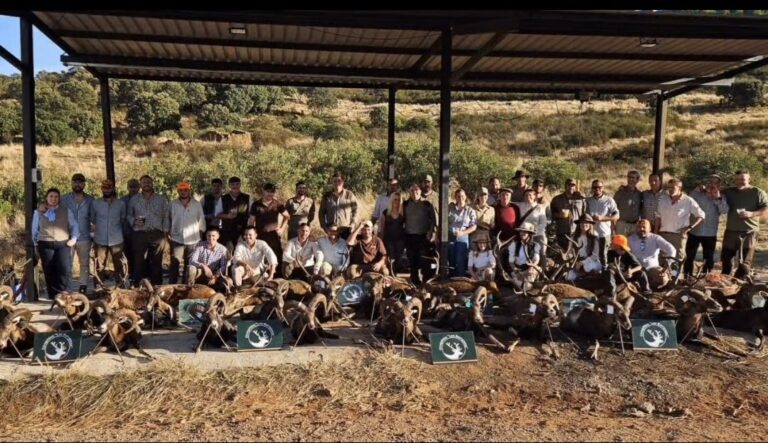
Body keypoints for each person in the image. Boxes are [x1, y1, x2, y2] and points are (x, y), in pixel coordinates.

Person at [32, 188, 79, 299]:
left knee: (65, 269)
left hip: (63, 244)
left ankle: (66, 294)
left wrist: (73, 239)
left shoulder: (66, 211)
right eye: (51, 196)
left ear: (59, 198)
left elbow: (74, 226)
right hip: (45, 244)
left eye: (56, 197)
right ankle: (54, 296)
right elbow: (34, 229)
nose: (53, 199)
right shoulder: (38, 212)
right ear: (47, 198)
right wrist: (35, 243)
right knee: (49, 270)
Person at [721, 170, 768, 277]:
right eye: (737, 179)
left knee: (745, 261)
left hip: (749, 231)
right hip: (731, 230)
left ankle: (740, 283)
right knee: (726, 259)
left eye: (742, 179)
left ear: (749, 180)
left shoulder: (757, 192)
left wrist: (752, 214)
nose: (739, 182)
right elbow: (714, 192)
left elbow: (766, 209)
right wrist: (702, 189)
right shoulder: (729, 191)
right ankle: (725, 282)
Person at [127, 175, 170, 286]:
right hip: (139, 233)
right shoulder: (134, 199)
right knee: (139, 261)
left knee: (156, 261)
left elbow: (166, 216)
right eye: (144, 182)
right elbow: (128, 215)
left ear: (152, 183)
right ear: (140, 185)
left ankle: (157, 286)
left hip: (157, 233)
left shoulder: (161, 199)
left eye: (149, 182)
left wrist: (165, 232)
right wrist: (134, 221)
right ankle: (138, 286)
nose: (146, 184)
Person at [686, 175, 729, 276]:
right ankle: (687, 277)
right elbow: (687, 201)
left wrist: (718, 198)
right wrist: (695, 190)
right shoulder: (698, 194)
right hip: (694, 231)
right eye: (710, 181)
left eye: (715, 182)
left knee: (708, 258)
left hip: (710, 233)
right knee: (689, 257)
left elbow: (724, 211)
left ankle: (705, 278)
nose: (712, 184)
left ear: (719, 185)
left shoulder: (721, 197)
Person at [654, 178, 704, 261]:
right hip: (663, 235)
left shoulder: (688, 200)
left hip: (678, 236)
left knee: (677, 261)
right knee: (662, 260)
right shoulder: (663, 199)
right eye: (669, 187)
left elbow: (701, 215)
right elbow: (658, 216)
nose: (670, 190)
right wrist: (655, 232)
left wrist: (689, 227)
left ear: (680, 188)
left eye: (673, 188)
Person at [60, 173, 94, 294]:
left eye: (80, 182)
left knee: (84, 264)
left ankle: (83, 286)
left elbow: (94, 218)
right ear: (71, 183)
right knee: (67, 264)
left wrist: (94, 232)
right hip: (68, 237)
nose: (78, 184)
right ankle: (67, 287)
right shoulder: (63, 199)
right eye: (75, 181)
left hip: (84, 237)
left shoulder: (90, 200)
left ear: (84, 184)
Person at [89, 179, 128, 285]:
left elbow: (123, 219)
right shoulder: (95, 203)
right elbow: (92, 219)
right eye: (104, 188)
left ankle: (121, 285)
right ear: (101, 189)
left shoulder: (120, 204)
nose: (107, 190)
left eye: (109, 188)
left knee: (119, 264)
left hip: (116, 238)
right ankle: (99, 286)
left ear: (113, 189)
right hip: (100, 238)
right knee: (99, 264)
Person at [169, 181, 206, 284]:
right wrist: (168, 233)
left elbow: (201, 220)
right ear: (178, 191)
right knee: (174, 263)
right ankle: (172, 286)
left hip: (193, 239)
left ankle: (186, 286)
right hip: (177, 238)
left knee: (189, 265)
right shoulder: (172, 204)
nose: (183, 192)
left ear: (189, 191)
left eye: (185, 190)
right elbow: (168, 219)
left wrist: (200, 236)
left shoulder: (196, 204)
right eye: (181, 190)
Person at [248, 183, 290, 272]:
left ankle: (277, 277)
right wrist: (251, 235)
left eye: (272, 192)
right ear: (263, 191)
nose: (270, 194)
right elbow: (251, 222)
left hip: (274, 237)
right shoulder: (256, 204)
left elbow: (287, 216)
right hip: (260, 236)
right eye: (268, 191)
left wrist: (282, 229)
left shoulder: (278, 204)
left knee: (276, 258)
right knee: (260, 258)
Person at [402, 184, 437, 284]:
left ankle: (426, 281)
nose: (415, 192)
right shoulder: (405, 204)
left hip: (423, 236)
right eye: (412, 191)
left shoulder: (427, 204)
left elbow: (433, 220)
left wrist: (431, 232)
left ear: (420, 191)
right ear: (409, 192)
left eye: (416, 190)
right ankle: (415, 281)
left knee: (424, 260)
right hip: (410, 236)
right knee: (412, 260)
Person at [628, 219, 677, 290]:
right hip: (636, 269)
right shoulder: (630, 239)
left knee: (662, 279)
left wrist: (667, 265)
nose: (641, 229)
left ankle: (646, 287)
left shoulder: (656, 238)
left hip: (652, 268)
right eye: (639, 227)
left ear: (650, 229)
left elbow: (672, 250)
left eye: (644, 227)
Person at [585, 179, 619, 268]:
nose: (597, 189)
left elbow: (616, 216)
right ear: (592, 188)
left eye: (599, 187)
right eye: (595, 187)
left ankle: (604, 272)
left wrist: (603, 218)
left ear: (603, 188)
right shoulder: (588, 200)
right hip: (591, 232)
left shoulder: (609, 200)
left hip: (604, 233)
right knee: (590, 253)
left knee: (603, 255)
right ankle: (591, 272)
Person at [550, 178, 586, 252]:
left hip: (576, 231)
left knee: (577, 253)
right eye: (569, 185)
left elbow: (585, 215)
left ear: (575, 187)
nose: (571, 187)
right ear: (565, 186)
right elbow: (552, 215)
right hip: (562, 232)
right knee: (563, 253)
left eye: (573, 185)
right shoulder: (557, 199)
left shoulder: (581, 199)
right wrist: (559, 215)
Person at [319, 173, 358, 240]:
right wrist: (324, 227)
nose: (337, 183)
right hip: (331, 230)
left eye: (339, 181)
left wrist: (353, 223)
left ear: (343, 182)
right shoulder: (327, 196)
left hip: (346, 229)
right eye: (334, 181)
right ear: (332, 182)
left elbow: (355, 210)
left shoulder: (349, 195)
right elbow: (321, 213)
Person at [447, 188, 477, 277]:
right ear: (455, 197)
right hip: (450, 236)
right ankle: (451, 280)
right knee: (451, 259)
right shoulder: (450, 208)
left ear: (465, 197)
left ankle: (461, 280)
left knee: (460, 260)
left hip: (463, 237)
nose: (460, 198)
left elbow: (474, 226)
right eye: (458, 196)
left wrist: (463, 233)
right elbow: (443, 221)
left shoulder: (470, 210)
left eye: (462, 196)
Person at [566, 214, 603, 282]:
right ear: (579, 224)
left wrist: (582, 263)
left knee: (587, 267)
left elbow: (595, 256)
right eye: (582, 222)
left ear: (590, 224)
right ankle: (580, 280)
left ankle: (591, 279)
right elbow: (569, 252)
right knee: (568, 277)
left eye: (586, 223)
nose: (584, 224)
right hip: (577, 262)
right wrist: (574, 262)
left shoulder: (594, 236)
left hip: (592, 262)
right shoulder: (573, 236)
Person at [219, 176, 251, 254]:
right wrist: (227, 216)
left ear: (240, 185)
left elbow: (251, 215)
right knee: (228, 253)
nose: (235, 186)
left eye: (237, 184)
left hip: (242, 231)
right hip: (227, 231)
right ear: (229, 185)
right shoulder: (223, 198)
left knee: (241, 253)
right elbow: (217, 215)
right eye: (232, 184)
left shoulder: (247, 198)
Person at [507, 222, 541, 291]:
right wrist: (516, 270)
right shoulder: (514, 245)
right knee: (519, 286)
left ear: (529, 234)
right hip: (518, 270)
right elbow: (511, 262)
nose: (522, 233)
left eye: (525, 232)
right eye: (521, 231)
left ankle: (531, 284)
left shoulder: (535, 245)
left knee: (527, 287)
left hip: (530, 270)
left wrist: (531, 267)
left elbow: (536, 259)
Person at [378, 191, 406, 272]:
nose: (396, 201)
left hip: (400, 240)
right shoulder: (385, 213)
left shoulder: (403, 213)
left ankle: (396, 275)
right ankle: (391, 275)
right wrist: (380, 241)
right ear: (391, 200)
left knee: (399, 260)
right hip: (388, 240)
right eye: (395, 199)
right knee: (391, 260)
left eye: (399, 200)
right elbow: (382, 228)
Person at [614, 170, 643, 237]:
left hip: (635, 226)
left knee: (634, 243)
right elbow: (613, 209)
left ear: (637, 180)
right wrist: (613, 225)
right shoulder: (620, 193)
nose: (630, 179)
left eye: (633, 178)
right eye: (629, 177)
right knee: (621, 243)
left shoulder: (639, 194)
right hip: (622, 225)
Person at [121, 178, 140, 281]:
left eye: (135, 187)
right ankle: (131, 278)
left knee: (140, 257)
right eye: (131, 187)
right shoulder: (122, 201)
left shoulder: (143, 199)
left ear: (139, 187)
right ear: (127, 188)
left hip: (140, 233)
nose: (133, 189)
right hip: (126, 233)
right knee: (129, 257)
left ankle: (141, 278)